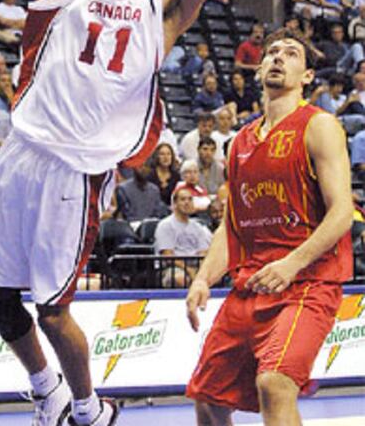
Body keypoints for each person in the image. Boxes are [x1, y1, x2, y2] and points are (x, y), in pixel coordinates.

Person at [0, 0, 281, 426]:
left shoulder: (166, 14)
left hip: (71, 171)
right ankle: (47, 394)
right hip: (21, 150)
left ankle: (87, 411)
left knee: (53, 310)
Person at [185, 28, 353, 426]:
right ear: (259, 67)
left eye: (291, 54)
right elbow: (233, 226)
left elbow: (342, 212)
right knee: (207, 399)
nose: (278, 57)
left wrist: (291, 265)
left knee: (275, 384)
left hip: (307, 283)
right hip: (252, 284)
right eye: (272, 52)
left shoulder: (320, 126)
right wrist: (203, 278)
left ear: (308, 76)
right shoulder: (239, 142)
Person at [154, 186, 212, 288]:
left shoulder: (198, 227)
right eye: (183, 199)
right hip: (174, 267)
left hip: (196, 267)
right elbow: (168, 256)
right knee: (180, 279)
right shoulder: (165, 225)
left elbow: (203, 252)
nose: (187, 202)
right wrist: (189, 271)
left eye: (190, 199)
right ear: (175, 204)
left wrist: (201, 272)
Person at [147, 142, 180, 207]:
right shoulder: (149, 176)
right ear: (157, 156)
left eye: (168, 154)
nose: (166, 157)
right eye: (162, 154)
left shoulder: (176, 177)